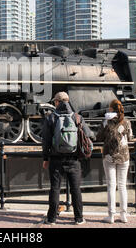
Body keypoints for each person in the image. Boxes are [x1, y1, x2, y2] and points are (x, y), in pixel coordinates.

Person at [41, 91, 94, 225]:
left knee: (55, 189)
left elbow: (46, 140)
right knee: (76, 189)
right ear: (68, 101)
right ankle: (79, 218)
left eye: (55, 102)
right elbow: (88, 135)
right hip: (74, 160)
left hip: (55, 159)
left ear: (57, 102)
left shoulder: (51, 118)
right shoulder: (77, 117)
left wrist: (45, 158)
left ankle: (51, 218)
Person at [96, 99, 133, 224]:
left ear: (111, 109)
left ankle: (111, 215)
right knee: (122, 186)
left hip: (109, 156)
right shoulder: (126, 121)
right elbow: (131, 137)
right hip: (123, 156)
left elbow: (98, 137)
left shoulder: (106, 121)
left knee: (111, 186)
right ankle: (123, 215)